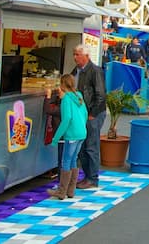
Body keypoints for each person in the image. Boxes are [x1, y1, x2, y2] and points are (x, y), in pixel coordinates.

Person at [47, 74, 87, 200]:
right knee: (74, 159)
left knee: (66, 161)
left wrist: (56, 138)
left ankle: (61, 191)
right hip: (82, 133)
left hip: (72, 135)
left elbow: (66, 119)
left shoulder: (66, 99)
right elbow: (85, 113)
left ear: (62, 85)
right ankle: (71, 190)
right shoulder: (79, 96)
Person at [72, 44, 106, 189]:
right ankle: (88, 176)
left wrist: (93, 113)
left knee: (91, 146)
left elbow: (101, 94)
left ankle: (92, 178)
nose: (75, 57)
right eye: (74, 54)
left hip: (92, 113)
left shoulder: (95, 71)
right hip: (82, 113)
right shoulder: (76, 71)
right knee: (83, 147)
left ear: (86, 56)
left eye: (77, 54)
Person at [43, 85, 64, 180]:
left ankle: (62, 183)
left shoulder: (63, 106)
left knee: (63, 160)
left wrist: (48, 96)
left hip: (63, 137)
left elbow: (47, 109)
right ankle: (69, 184)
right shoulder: (76, 100)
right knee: (70, 160)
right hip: (75, 135)